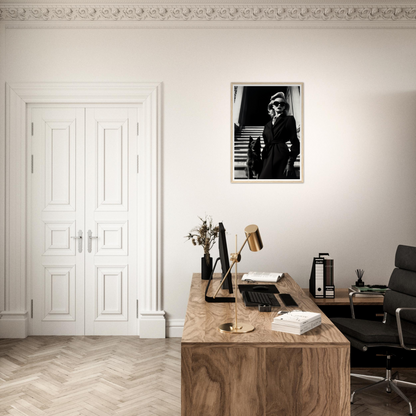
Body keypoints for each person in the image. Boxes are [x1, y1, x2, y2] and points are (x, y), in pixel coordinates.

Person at [259, 92, 300, 180]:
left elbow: (295, 143)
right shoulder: (267, 125)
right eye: (276, 103)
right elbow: (266, 141)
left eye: (282, 104)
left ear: (285, 107)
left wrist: (290, 162)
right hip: (267, 156)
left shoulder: (289, 120)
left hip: (281, 155)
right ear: (272, 106)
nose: (279, 105)